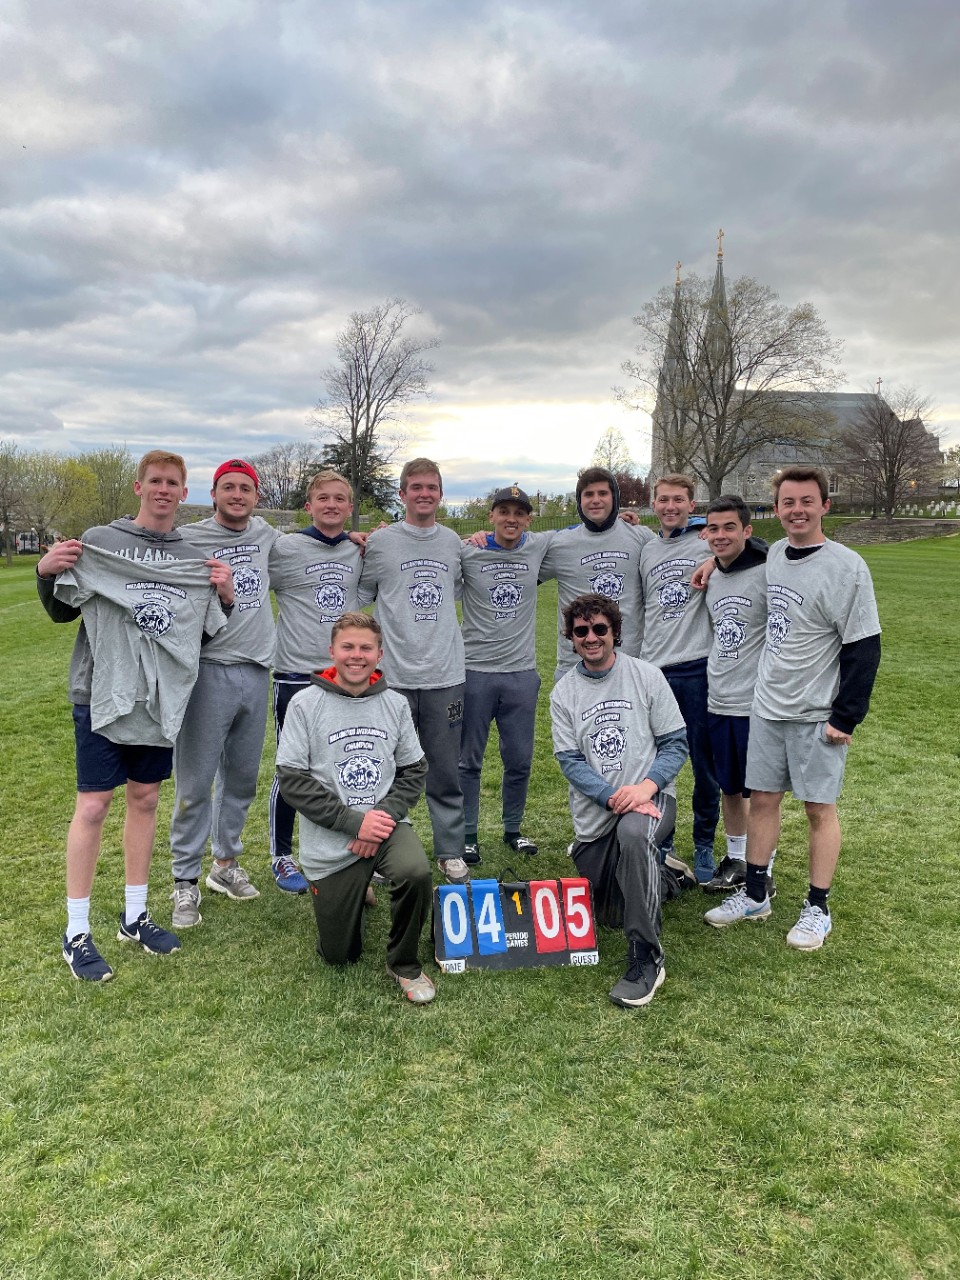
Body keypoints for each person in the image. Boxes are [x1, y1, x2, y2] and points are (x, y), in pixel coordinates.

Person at [36, 450, 235, 981]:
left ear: (183, 491)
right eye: (155, 481)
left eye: (173, 482)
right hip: (100, 691)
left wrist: (224, 594)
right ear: (138, 486)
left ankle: (135, 915)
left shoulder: (192, 554)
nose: (163, 489)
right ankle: (76, 930)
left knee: (145, 798)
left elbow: (211, 626)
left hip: (160, 698)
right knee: (95, 805)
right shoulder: (100, 542)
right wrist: (43, 571)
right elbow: (60, 607)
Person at [705, 466, 881, 950]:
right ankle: (756, 893)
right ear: (776, 510)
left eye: (807, 501)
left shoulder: (848, 567)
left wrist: (846, 716)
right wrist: (708, 563)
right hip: (767, 707)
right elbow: (742, 551)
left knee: (819, 809)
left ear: (825, 505)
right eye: (788, 502)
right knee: (762, 800)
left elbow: (864, 647)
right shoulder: (777, 553)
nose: (797, 510)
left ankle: (817, 908)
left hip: (815, 713)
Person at [275, 613, 435, 1004]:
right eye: (348, 646)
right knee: (338, 956)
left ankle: (404, 964)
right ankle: (354, 889)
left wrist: (377, 821)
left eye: (366, 648)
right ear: (332, 651)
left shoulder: (395, 704)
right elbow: (292, 780)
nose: (356, 656)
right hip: (332, 838)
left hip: (384, 825)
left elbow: (414, 770)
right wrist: (353, 824)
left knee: (415, 871)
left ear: (379, 654)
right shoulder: (304, 704)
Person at [550, 594, 689, 1009]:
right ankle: (666, 878)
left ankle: (646, 957)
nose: (591, 638)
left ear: (614, 632)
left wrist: (645, 789)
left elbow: (675, 743)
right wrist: (613, 797)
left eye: (599, 629)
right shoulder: (564, 693)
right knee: (610, 912)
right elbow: (570, 761)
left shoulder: (646, 676)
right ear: (571, 638)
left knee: (634, 836)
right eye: (581, 632)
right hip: (599, 816)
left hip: (652, 801)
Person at [168, 459, 280, 927]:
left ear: (256, 497)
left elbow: (319, 542)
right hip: (207, 671)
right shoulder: (187, 539)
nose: (237, 495)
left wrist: (359, 537)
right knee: (195, 782)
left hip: (256, 671)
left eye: (246, 489)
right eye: (228, 488)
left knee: (240, 778)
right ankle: (184, 881)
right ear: (213, 494)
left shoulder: (266, 534)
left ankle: (225, 865)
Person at [359, 458, 469, 884]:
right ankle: (385, 850)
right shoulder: (383, 543)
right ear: (402, 494)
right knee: (385, 767)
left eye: (432, 487)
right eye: (416, 487)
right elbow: (362, 593)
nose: (424, 494)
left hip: (445, 674)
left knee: (444, 768)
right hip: (392, 677)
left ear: (441, 494)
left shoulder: (455, 544)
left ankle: (450, 851)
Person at [267, 469, 364, 893]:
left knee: (342, 762)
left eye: (339, 499)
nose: (331, 505)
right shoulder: (285, 548)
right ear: (309, 506)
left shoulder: (357, 550)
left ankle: (344, 848)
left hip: (342, 675)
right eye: (323, 498)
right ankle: (281, 856)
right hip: (294, 672)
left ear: (349, 507)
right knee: (292, 768)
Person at [458, 485, 551, 862]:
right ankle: (467, 835)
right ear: (491, 516)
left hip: (521, 674)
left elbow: (589, 534)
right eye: (503, 511)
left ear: (529, 519)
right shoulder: (469, 550)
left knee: (520, 759)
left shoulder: (539, 546)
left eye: (519, 512)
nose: (511, 519)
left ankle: (513, 829)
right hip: (475, 671)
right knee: (469, 760)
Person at [639, 473, 721, 884]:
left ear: (692, 504)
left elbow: (758, 547)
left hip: (696, 667)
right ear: (654, 504)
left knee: (704, 762)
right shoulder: (647, 548)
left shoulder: (707, 540)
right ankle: (661, 841)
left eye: (678, 500)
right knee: (657, 764)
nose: (670, 506)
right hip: (654, 671)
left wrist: (712, 559)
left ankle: (704, 841)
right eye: (663, 499)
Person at [700, 494, 777, 896]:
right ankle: (736, 859)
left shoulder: (768, 570)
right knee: (729, 786)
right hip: (719, 698)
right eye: (713, 528)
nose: (721, 535)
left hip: (756, 703)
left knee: (761, 792)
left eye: (730, 527)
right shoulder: (711, 576)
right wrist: (712, 562)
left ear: (747, 530)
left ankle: (765, 870)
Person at [539, 466, 655, 684]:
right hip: (574, 667)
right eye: (588, 494)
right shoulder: (561, 544)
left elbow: (673, 559)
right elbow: (517, 567)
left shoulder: (640, 537)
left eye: (603, 493)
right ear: (579, 500)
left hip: (629, 664)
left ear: (615, 497)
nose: (596, 500)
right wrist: (488, 538)